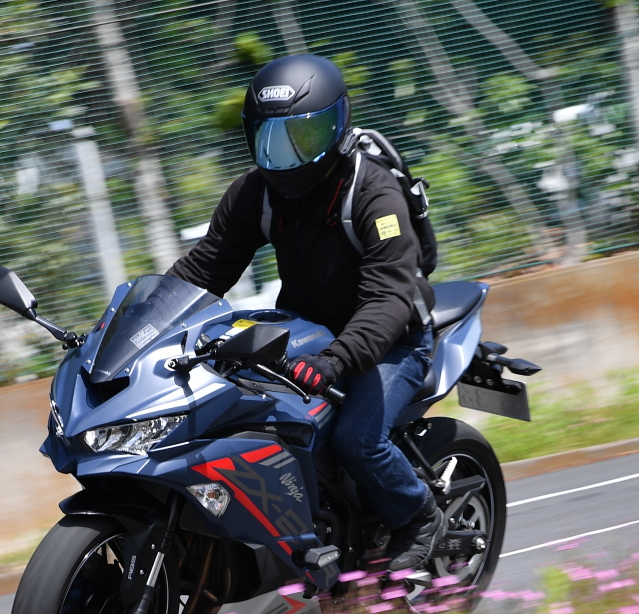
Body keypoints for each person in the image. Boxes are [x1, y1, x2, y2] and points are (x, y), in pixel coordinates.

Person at [168, 53, 443, 571]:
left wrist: (338, 360)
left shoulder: (374, 193)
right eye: (271, 138)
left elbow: (388, 297)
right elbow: (205, 268)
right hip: (303, 337)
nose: (287, 156)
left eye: (305, 137)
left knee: (357, 440)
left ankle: (418, 516)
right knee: (241, 421)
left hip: (390, 340)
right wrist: (133, 327)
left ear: (337, 126)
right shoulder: (256, 192)